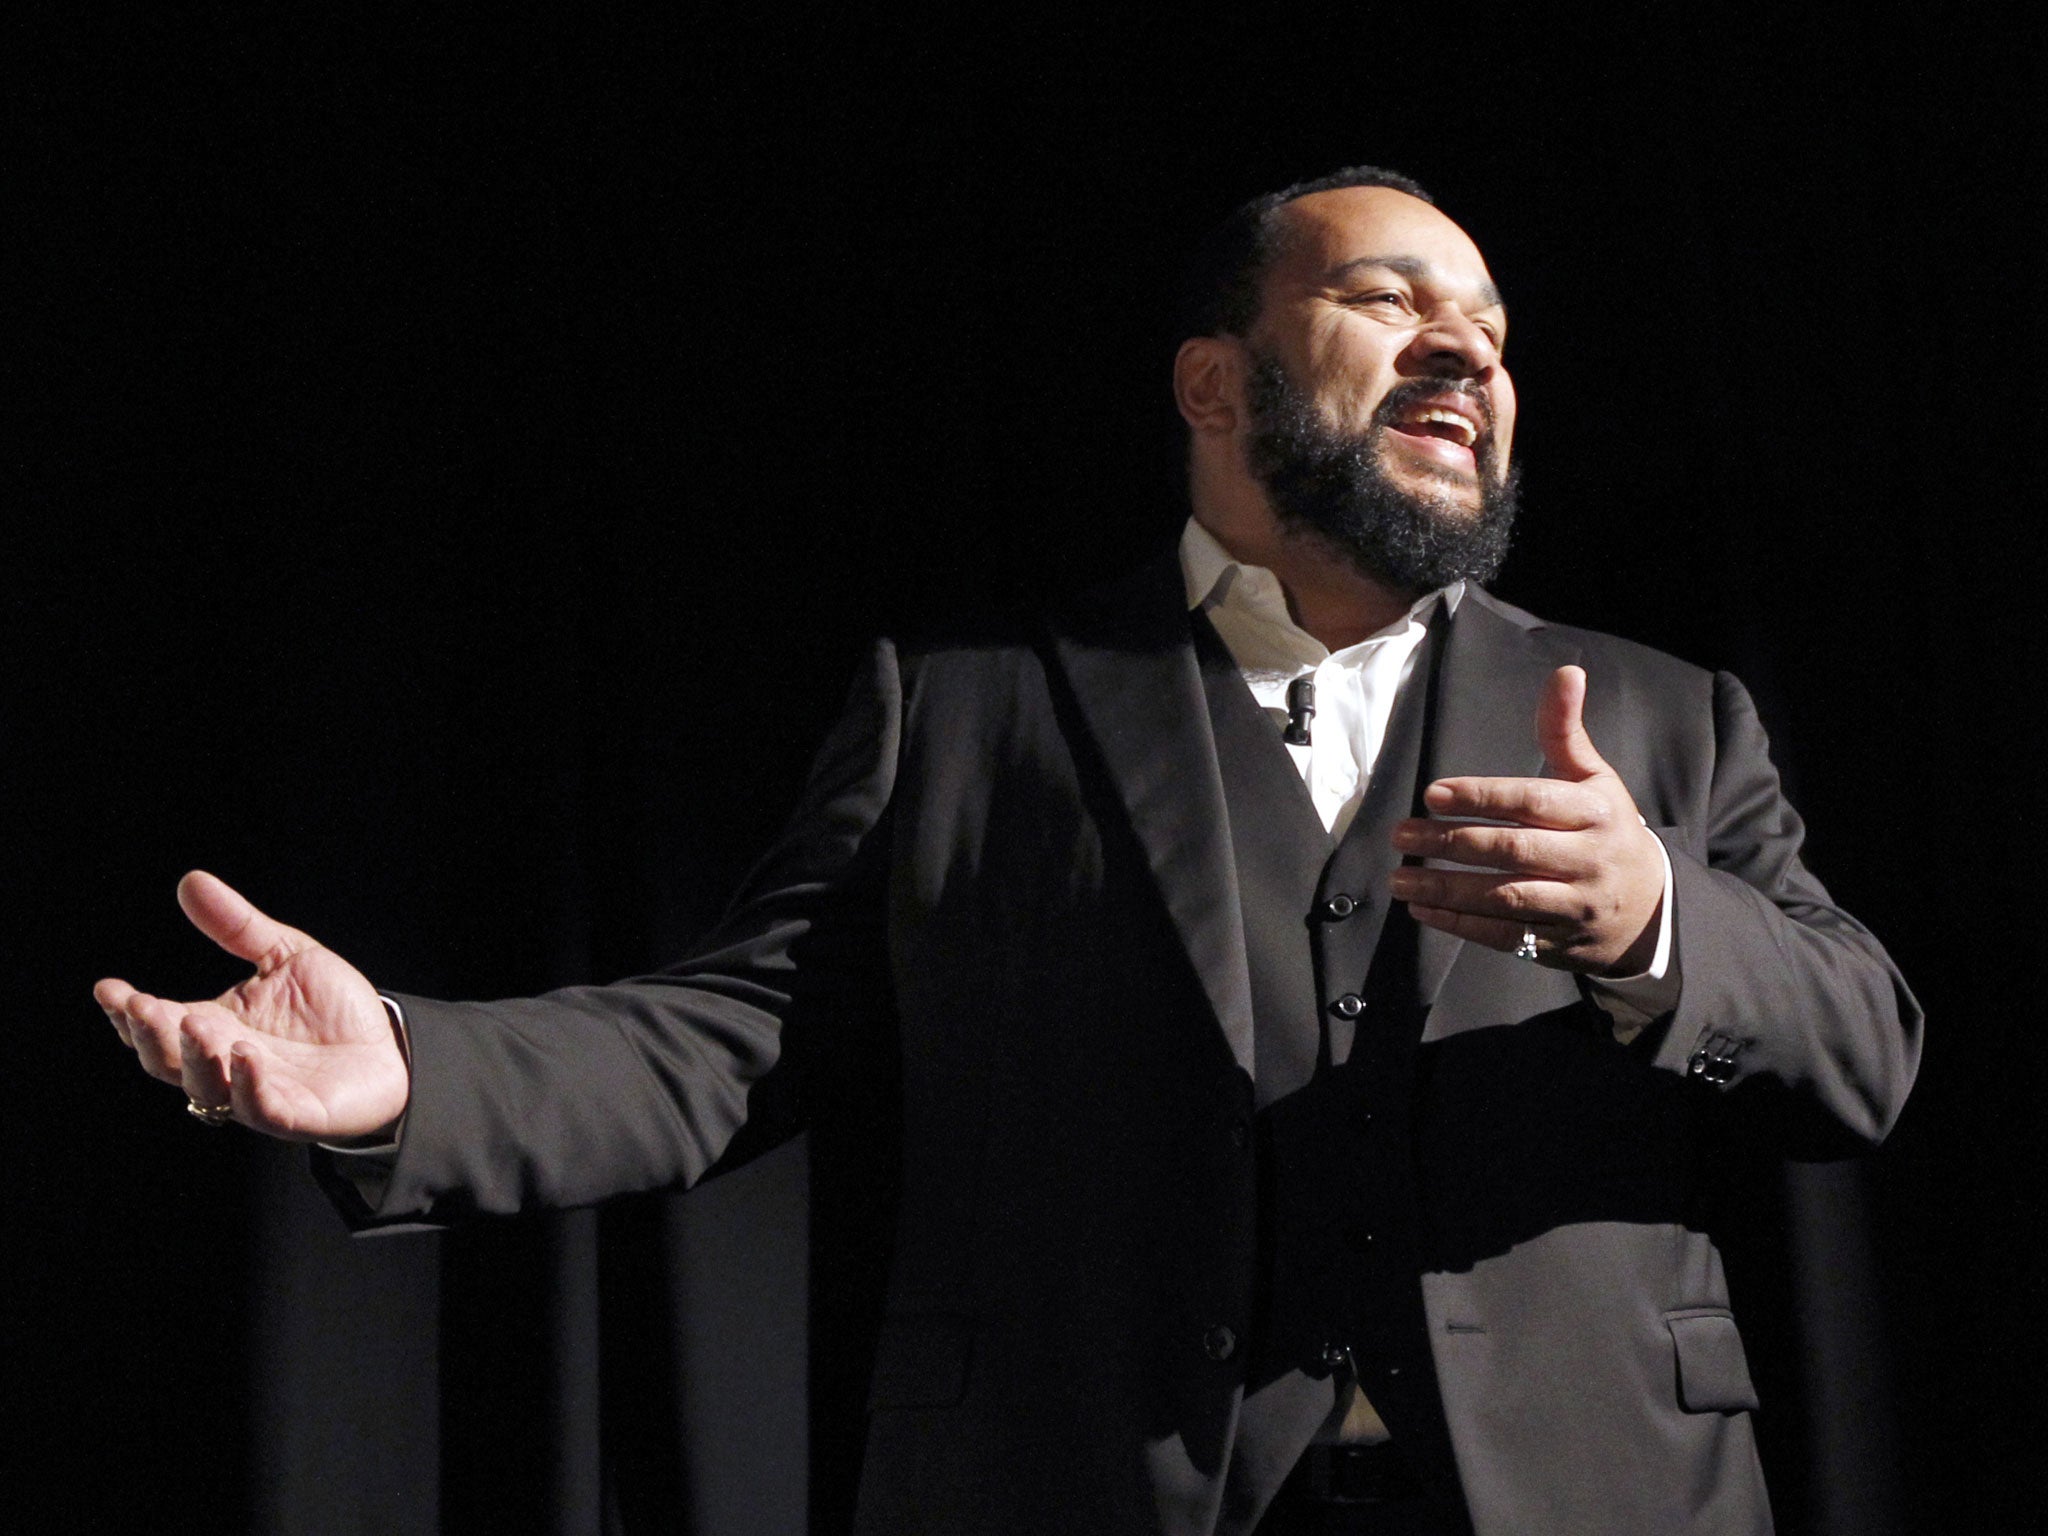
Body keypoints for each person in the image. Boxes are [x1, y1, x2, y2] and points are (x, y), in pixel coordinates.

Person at [97, 167, 1921, 1535]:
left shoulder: (1673, 721)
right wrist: (415, 1066)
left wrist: (1659, 926)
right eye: (1391, 298)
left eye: (1499, 332)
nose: (1468, 350)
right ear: (1214, 386)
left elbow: (1865, 1051)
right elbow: (740, 1035)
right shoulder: (969, 709)